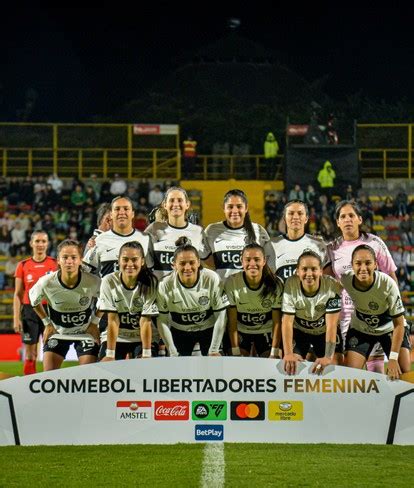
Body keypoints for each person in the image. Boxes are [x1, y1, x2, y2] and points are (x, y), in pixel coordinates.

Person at [327, 200, 398, 373]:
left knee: (376, 369)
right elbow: (328, 284)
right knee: (349, 372)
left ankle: (382, 400)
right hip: (345, 316)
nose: (347, 220)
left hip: (374, 314)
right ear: (338, 222)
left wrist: (392, 308)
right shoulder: (331, 248)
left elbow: (391, 277)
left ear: (359, 219)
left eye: (351, 215)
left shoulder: (375, 243)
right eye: (343, 216)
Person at [340, 245, 411, 380]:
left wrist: (393, 358)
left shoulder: (387, 284)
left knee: (405, 375)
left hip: (390, 329)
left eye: (368, 263)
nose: (363, 268)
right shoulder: (345, 279)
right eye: (358, 263)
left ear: (376, 265)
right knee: (348, 377)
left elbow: (399, 324)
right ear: (352, 265)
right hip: (361, 330)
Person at [29, 239, 101, 371]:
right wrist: (47, 323)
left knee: (88, 377)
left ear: (80, 260)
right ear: (58, 260)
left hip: (85, 334)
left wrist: (95, 322)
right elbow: (33, 300)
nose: (69, 261)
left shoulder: (93, 281)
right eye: (65, 257)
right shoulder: (46, 282)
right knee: (49, 378)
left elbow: (106, 299)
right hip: (57, 333)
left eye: (74, 257)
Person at [156, 237, 229, 356]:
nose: (188, 267)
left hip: (209, 330)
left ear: (199, 262)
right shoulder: (164, 285)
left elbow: (221, 316)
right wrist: (173, 351)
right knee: (178, 371)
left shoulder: (212, 279)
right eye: (182, 263)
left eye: (192, 262)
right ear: (173, 265)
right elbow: (162, 321)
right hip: (180, 331)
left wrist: (214, 349)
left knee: (215, 366)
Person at [282, 251, 343, 375]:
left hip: (324, 333)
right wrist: (288, 354)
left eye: (314, 269)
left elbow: (332, 325)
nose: (309, 274)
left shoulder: (332, 285)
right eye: (304, 269)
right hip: (301, 333)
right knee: (292, 366)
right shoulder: (290, 284)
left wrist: (328, 356)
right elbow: (287, 322)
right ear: (297, 271)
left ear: (321, 271)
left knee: (334, 368)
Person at [98, 241, 158, 360]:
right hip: (118, 336)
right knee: (106, 370)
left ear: (142, 261)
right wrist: (110, 355)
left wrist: (146, 354)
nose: (130, 264)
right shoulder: (108, 281)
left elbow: (145, 321)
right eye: (125, 259)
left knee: (144, 369)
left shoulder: (150, 282)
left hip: (141, 337)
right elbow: (113, 320)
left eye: (134, 259)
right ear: (118, 261)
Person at [224, 244, 283, 357]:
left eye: (257, 260)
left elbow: (277, 322)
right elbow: (232, 322)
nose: (252, 264)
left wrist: (274, 352)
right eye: (248, 260)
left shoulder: (276, 284)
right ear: (242, 262)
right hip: (241, 330)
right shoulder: (232, 282)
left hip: (266, 330)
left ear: (264, 261)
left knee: (272, 364)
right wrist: (235, 352)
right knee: (236, 363)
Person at [13, 231, 57, 375]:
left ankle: (49, 383)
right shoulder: (23, 265)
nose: (40, 244)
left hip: (49, 311)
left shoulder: (55, 264)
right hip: (29, 311)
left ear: (47, 244)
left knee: (50, 350)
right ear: (31, 243)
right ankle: (29, 384)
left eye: (43, 241)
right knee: (30, 353)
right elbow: (18, 294)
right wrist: (16, 318)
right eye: (37, 241)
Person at [144, 186, 210, 280]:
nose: (175, 204)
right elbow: (142, 260)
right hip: (159, 291)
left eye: (180, 200)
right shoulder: (153, 229)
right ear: (164, 205)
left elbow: (208, 262)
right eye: (171, 200)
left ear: (187, 204)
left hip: (187, 291)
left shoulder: (197, 231)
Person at [205, 189, 270, 282]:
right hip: (222, 292)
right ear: (223, 208)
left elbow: (268, 262)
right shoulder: (211, 230)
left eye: (239, 206)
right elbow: (207, 261)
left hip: (251, 292)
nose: (234, 210)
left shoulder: (259, 231)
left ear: (246, 208)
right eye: (230, 207)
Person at [265, 200, 329, 282]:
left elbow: (325, 279)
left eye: (300, 213)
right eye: (291, 213)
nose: (295, 217)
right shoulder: (271, 245)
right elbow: (267, 280)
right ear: (284, 218)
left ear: (306, 218)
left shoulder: (318, 244)